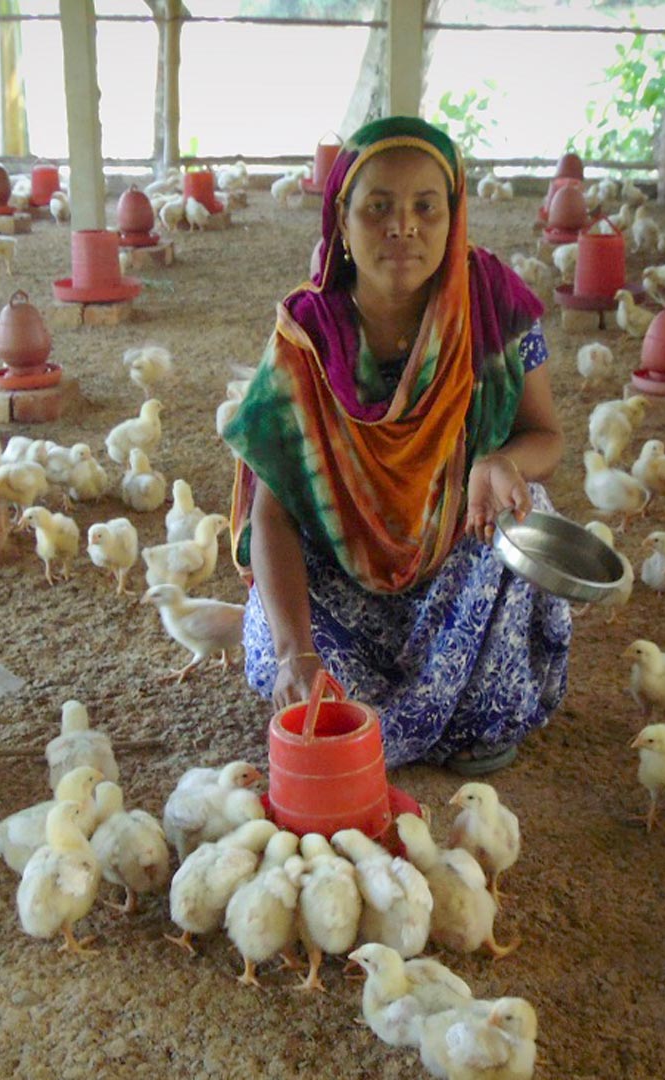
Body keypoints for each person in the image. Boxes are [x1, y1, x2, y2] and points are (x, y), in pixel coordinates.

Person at [222, 116, 571, 774]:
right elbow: (274, 512)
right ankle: (386, 718)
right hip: (341, 566)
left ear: (454, 216)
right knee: (282, 657)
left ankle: (452, 722)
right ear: (343, 223)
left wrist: (501, 462)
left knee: (529, 515)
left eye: (425, 207)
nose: (402, 226)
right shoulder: (306, 337)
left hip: (456, 554)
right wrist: (298, 650)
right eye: (377, 206)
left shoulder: (496, 308)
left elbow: (544, 435)